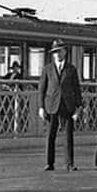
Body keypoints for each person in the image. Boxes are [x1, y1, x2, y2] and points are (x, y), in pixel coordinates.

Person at [38, 38, 83, 172]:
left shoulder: (71, 69)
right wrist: (41, 107)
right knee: (50, 135)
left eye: (59, 51)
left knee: (68, 136)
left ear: (65, 52)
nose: (57, 54)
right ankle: (49, 163)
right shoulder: (47, 69)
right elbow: (42, 89)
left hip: (67, 106)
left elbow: (77, 89)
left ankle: (69, 164)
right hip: (51, 105)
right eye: (55, 52)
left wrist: (78, 107)